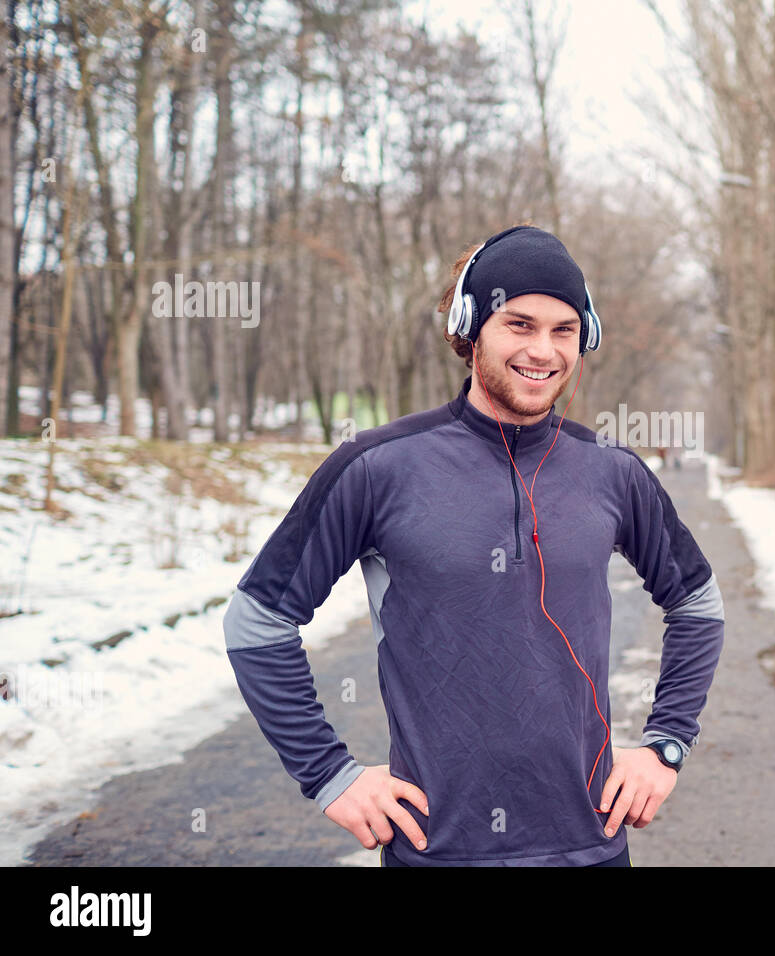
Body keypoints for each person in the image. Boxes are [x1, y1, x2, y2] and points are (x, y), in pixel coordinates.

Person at [223, 223, 726, 866]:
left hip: (590, 847)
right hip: (437, 849)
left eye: (563, 330)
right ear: (470, 328)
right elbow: (257, 623)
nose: (543, 350)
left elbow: (697, 606)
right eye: (519, 324)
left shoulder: (613, 471)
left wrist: (666, 745)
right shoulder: (378, 467)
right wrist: (330, 775)